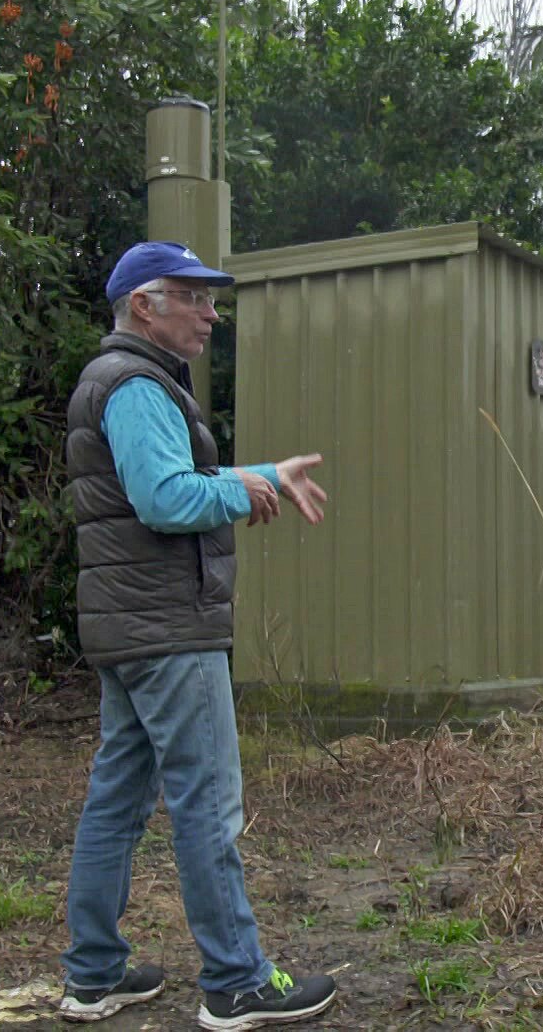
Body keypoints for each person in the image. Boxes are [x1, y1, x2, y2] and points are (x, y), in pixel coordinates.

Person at [58, 241, 337, 1030]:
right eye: (195, 298)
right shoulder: (137, 384)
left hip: (130, 628)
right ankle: (237, 981)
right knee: (208, 803)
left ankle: (93, 977)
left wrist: (261, 475)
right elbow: (164, 499)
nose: (213, 314)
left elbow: (168, 487)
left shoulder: (118, 380)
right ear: (145, 306)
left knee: (117, 800)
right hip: (169, 632)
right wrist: (242, 486)